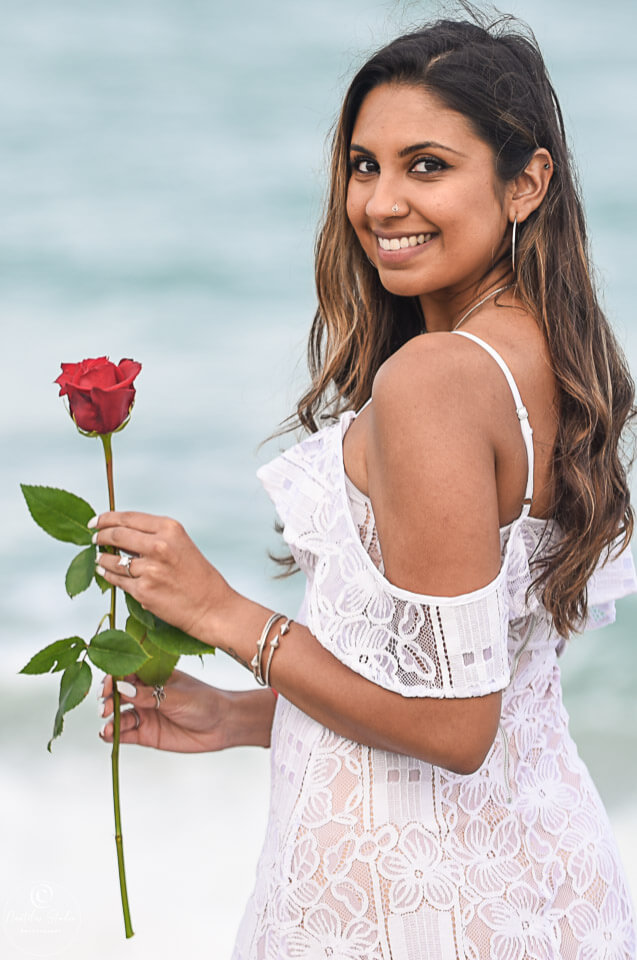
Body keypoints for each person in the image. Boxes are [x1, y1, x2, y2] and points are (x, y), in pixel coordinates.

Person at [96, 13, 637, 959]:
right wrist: (235, 718)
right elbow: (477, 688)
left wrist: (226, 615)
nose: (382, 202)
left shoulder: (436, 380)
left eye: (427, 165)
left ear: (526, 183)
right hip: (529, 886)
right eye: (363, 165)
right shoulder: (549, 360)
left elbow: (455, 726)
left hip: (414, 913)